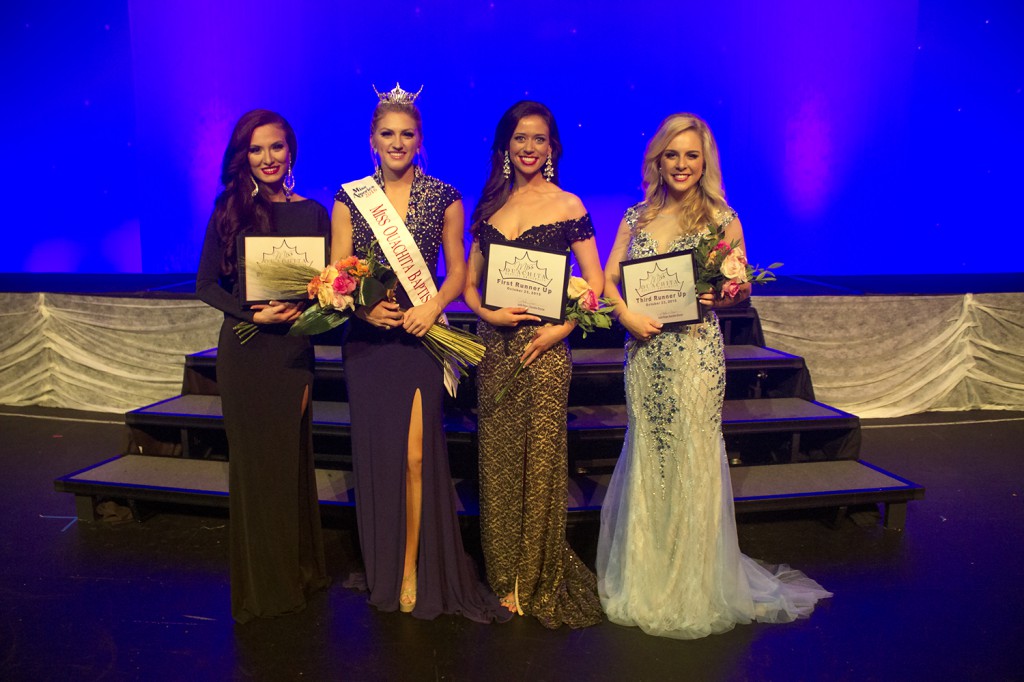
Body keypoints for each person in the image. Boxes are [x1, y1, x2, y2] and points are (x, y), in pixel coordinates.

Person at [596, 113, 832, 639]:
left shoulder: (722, 218)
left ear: (705, 162)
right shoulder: (635, 217)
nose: (681, 164)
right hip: (646, 355)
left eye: (691, 155)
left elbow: (740, 287)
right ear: (658, 159)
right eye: (672, 155)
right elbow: (610, 279)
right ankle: (649, 576)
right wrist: (625, 314)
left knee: (693, 457)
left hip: (696, 355)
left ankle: (693, 583)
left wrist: (723, 294)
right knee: (652, 457)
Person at [332, 85, 508, 622]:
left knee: (413, 457)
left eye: (407, 133)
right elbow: (339, 272)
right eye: (388, 133)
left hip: (419, 339)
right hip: (368, 345)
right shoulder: (349, 197)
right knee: (379, 459)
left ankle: (411, 568)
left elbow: (457, 272)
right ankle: (386, 565)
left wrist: (433, 306)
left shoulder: (446, 196)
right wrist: (362, 312)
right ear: (372, 139)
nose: (397, 142)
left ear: (420, 139)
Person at [464, 101, 604, 629]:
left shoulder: (569, 205)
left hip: (546, 352)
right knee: (499, 465)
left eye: (539, 139)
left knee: (542, 465)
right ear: (506, 147)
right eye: (520, 138)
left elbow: (593, 286)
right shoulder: (488, 209)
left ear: (553, 148)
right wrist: (487, 313)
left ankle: (535, 577)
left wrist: (562, 330)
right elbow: (469, 288)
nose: (529, 148)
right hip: (496, 350)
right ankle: (505, 576)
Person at [196, 109, 330, 624]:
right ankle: (265, 587)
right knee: (255, 476)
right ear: (243, 156)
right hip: (247, 356)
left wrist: (316, 307)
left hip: (293, 353)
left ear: (290, 151)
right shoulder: (229, 211)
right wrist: (251, 311)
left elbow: (326, 289)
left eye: (276, 147)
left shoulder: (314, 214)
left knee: (290, 468)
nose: (268, 158)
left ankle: (298, 571)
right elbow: (206, 284)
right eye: (256, 149)